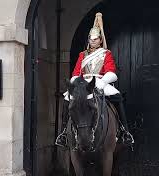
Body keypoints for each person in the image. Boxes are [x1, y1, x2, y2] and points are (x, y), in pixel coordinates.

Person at [55, 13, 134, 148]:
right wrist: (76, 83)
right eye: (91, 39)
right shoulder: (82, 55)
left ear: (100, 40)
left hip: (100, 81)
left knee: (118, 97)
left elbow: (111, 71)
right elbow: (76, 72)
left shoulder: (106, 53)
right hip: (83, 83)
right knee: (67, 99)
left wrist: (103, 82)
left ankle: (124, 130)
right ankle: (63, 133)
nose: (93, 41)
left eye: (95, 39)